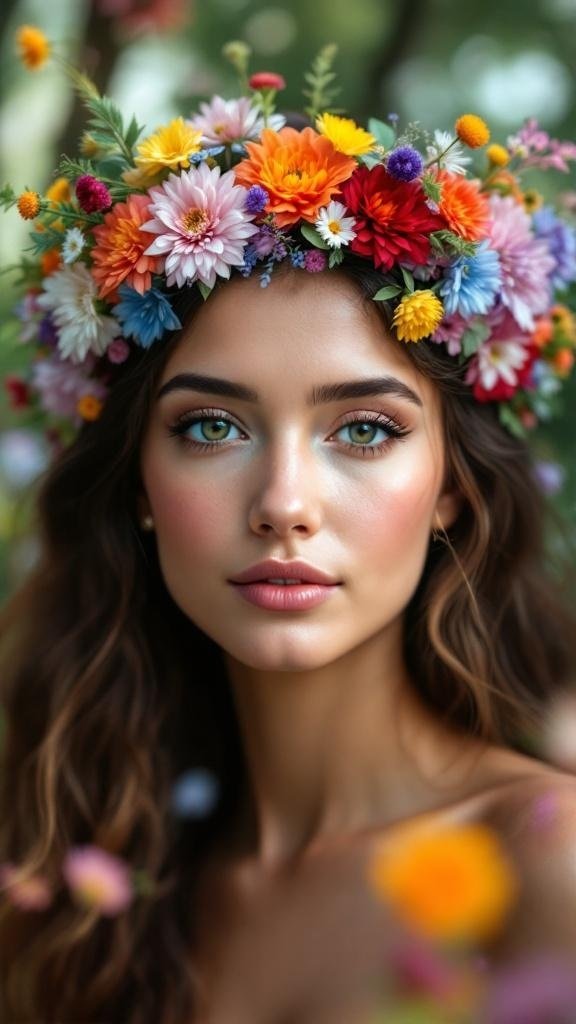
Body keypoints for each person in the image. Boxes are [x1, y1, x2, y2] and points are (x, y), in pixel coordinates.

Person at [2, 25, 576, 1024]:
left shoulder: (546, 861)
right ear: (139, 479)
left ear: (452, 485)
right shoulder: (79, 887)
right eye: (212, 426)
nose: (284, 502)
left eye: (363, 428)